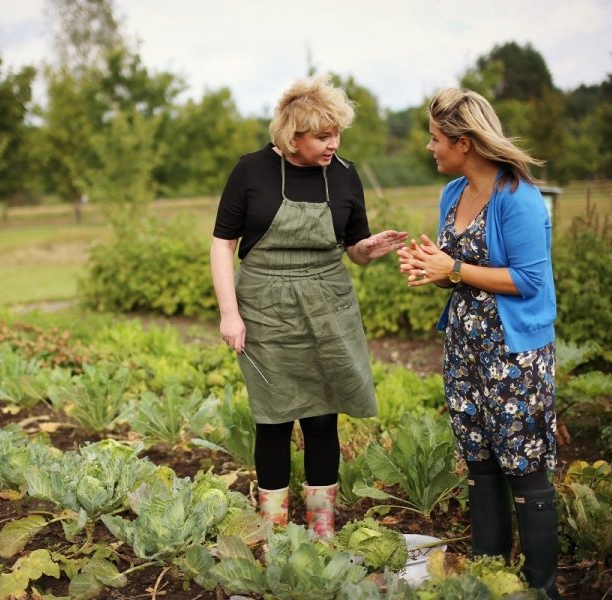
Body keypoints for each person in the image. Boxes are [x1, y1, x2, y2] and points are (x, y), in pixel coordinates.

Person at [210, 75, 406, 538]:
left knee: (322, 417)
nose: (333, 144)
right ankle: (273, 529)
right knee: (273, 420)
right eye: (323, 135)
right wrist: (229, 312)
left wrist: (368, 249)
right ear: (292, 136)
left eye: (337, 133)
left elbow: (353, 247)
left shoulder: (344, 175)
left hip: (327, 306)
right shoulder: (251, 170)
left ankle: (323, 529)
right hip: (265, 308)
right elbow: (223, 244)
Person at [398, 88, 560, 598]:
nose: (430, 148)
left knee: (525, 464)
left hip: (515, 354)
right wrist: (435, 271)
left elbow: (529, 280)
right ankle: (491, 580)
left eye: (436, 138)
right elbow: (457, 272)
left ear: (464, 142)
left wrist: (456, 268)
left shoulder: (517, 198)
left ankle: (541, 588)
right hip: (467, 349)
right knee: (481, 459)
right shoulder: (453, 194)